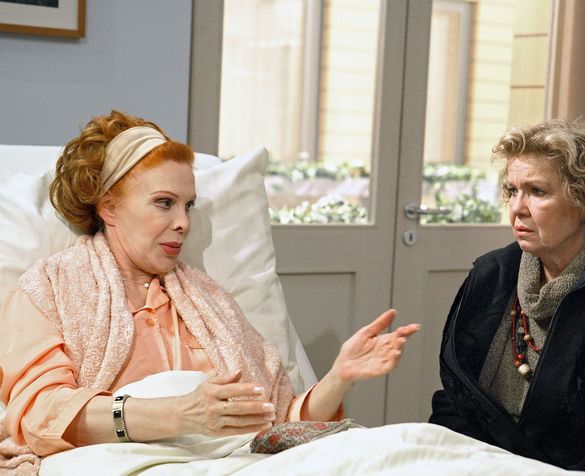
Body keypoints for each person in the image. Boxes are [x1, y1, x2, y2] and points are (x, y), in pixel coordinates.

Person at [0, 110, 420, 466]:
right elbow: (40, 414)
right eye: (164, 203)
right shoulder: (50, 289)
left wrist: (338, 377)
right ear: (109, 206)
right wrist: (178, 414)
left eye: (189, 205)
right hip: (129, 462)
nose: (183, 223)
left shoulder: (208, 300)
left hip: (238, 458)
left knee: (418, 449)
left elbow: (279, 421)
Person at [428, 118, 585, 471]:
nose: (517, 208)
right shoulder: (491, 275)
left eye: (537, 191)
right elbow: (455, 398)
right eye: (512, 191)